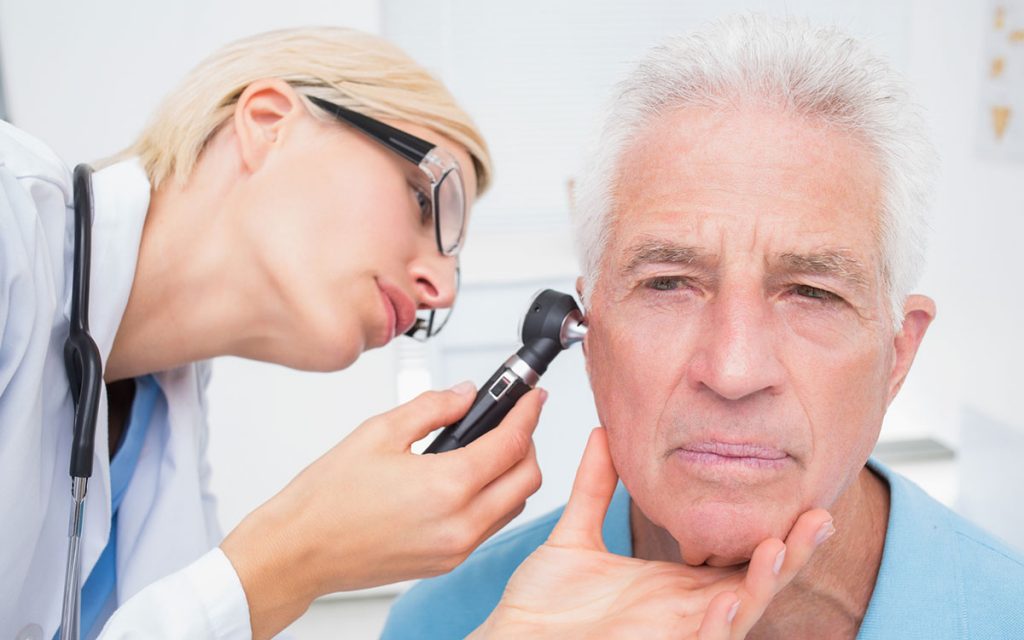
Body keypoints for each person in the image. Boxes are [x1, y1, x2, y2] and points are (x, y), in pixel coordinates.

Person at [383, 15, 1024, 639]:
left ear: (898, 353)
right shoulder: (453, 621)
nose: (733, 370)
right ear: (589, 331)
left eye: (811, 292)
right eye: (667, 284)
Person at [0, 27, 550, 639]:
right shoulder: (9, 220)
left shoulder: (168, 423)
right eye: (425, 203)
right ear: (268, 123)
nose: (443, 289)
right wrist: (296, 554)